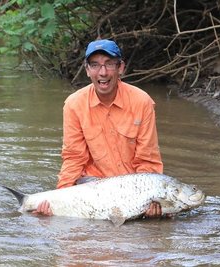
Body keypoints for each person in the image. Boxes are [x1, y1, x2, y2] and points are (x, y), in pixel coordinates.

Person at [34, 39, 164, 218]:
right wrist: (59, 199)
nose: (103, 72)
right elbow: (73, 158)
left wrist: (152, 199)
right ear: (87, 70)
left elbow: (147, 159)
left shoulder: (142, 102)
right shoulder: (74, 104)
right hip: (91, 191)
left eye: (109, 64)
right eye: (95, 65)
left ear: (121, 68)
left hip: (133, 193)